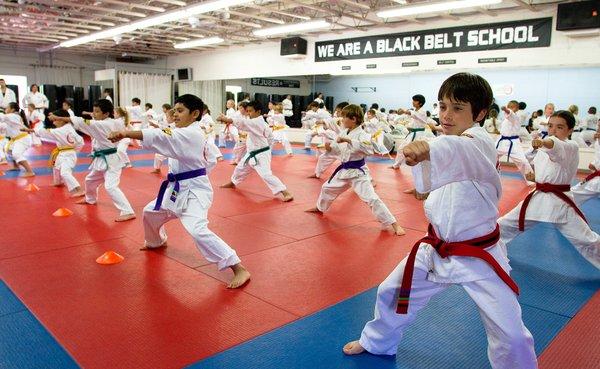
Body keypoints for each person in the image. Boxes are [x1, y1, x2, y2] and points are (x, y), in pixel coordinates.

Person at [343, 73, 537, 369]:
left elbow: (456, 150)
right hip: (435, 248)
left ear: (480, 113)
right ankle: (378, 343)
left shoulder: (478, 142)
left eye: (458, 108)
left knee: (510, 332)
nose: (446, 115)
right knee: (391, 292)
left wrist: (427, 149)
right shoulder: (448, 139)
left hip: (479, 255)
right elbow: (437, 182)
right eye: (443, 106)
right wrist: (424, 176)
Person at [107, 94, 251, 289]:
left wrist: (126, 133)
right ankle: (156, 241)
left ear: (195, 114)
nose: (175, 114)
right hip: (176, 188)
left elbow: (162, 137)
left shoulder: (192, 133)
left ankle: (238, 268)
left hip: (194, 191)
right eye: (174, 110)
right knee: (150, 213)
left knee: (197, 230)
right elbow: (169, 138)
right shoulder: (180, 130)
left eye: (180, 111)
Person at [498, 110, 600, 269]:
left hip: (560, 202)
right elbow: (549, 169)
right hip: (538, 198)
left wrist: (544, 142)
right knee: (504, 224)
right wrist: (536, 177)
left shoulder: (570, 146)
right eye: (551, 126)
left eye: (560, 127)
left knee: (586, 240)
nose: (553, 130)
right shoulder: (543, 147)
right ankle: (485, 248)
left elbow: (555, 146)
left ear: (570, 130)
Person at [305, 104, 405, 236]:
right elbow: (336, 149)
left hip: (358, 173)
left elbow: (368, 150)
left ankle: (394, 224)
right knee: (326, 188)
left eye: (344, 117)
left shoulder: (363, 134)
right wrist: (329, 147)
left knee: (372, 199)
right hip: (344, 170)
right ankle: (320, 208)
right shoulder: (343, 132)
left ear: (353, 119)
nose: (342, 119)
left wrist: (348, 140)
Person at [56, 99, 136, 222]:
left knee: (110, 186)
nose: (95, 114)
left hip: (112, 161)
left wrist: (58, 117)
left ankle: (128, 211)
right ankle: (90, 199)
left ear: (106, 114)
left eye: (97, 112)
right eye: (94, 111)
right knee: (90, 180)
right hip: (102, 158)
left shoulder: (104, 124)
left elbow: (82, 122)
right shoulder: (112, 122)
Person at [218, 100, 294, 202]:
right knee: (240, 168)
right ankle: (232, 182)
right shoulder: (258, 122)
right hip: (252, 153)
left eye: (251, 111)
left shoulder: (256, 122)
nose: (249, 113)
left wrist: (226, 119)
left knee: (266, 174)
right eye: (247, 111)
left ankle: (286, 192)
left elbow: (243, 122)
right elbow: (270, 137)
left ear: (258, 111)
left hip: (261, 154)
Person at [27, 109, 84, 196]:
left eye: (55, 120)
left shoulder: (63, 130)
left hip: (68, 155)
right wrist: (74, 150)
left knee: (65, 172)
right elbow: (80, 142)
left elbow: (47, 132)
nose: (53, 123)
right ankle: (58, 182)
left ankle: (79, 189)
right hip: (63, 152)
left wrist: (32, 130)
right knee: (56, 167)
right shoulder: (67, 128)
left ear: (62, 120)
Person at [495, 101, 534, 183]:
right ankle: (489, 176)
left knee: (522, 161)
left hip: (512, 143)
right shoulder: (505, 119)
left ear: (517, 108)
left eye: (512, 107)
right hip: (501, 141)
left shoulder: (515, 117)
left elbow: (510, 114)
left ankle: (531, 180)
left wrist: (505, 109)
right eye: (508, 106)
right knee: (490, 156)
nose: (510, 108)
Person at [391, 94, 433, 169]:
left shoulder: (422, 111)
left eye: (415, 101)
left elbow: (414, 115)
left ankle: (428, 168)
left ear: (420, 103)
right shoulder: (415, 110)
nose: (413, 102)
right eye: (413, 100)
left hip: (420, 135)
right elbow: (412, 117)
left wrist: (405, 111)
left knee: (422, 152)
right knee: (401, 149)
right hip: (413, 134)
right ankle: (396, 165)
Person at [0, 102, 34, 177]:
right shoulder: (11, 118)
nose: (5, 109)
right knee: (9, 150)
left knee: (16, 154)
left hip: (23, 138)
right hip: (17, 139)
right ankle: (16, 166)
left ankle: (30, 171)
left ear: (12, 110)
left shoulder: (13, 116)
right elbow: (3, 125)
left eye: (7, 108)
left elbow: (2, 117)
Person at [571, 132, 600, 206]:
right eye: (598, 126)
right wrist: (594, 164)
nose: (598, 129)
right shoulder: (597, 141)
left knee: (573, 194)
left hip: (597, 180)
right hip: (596, 177)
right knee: (574, 193)